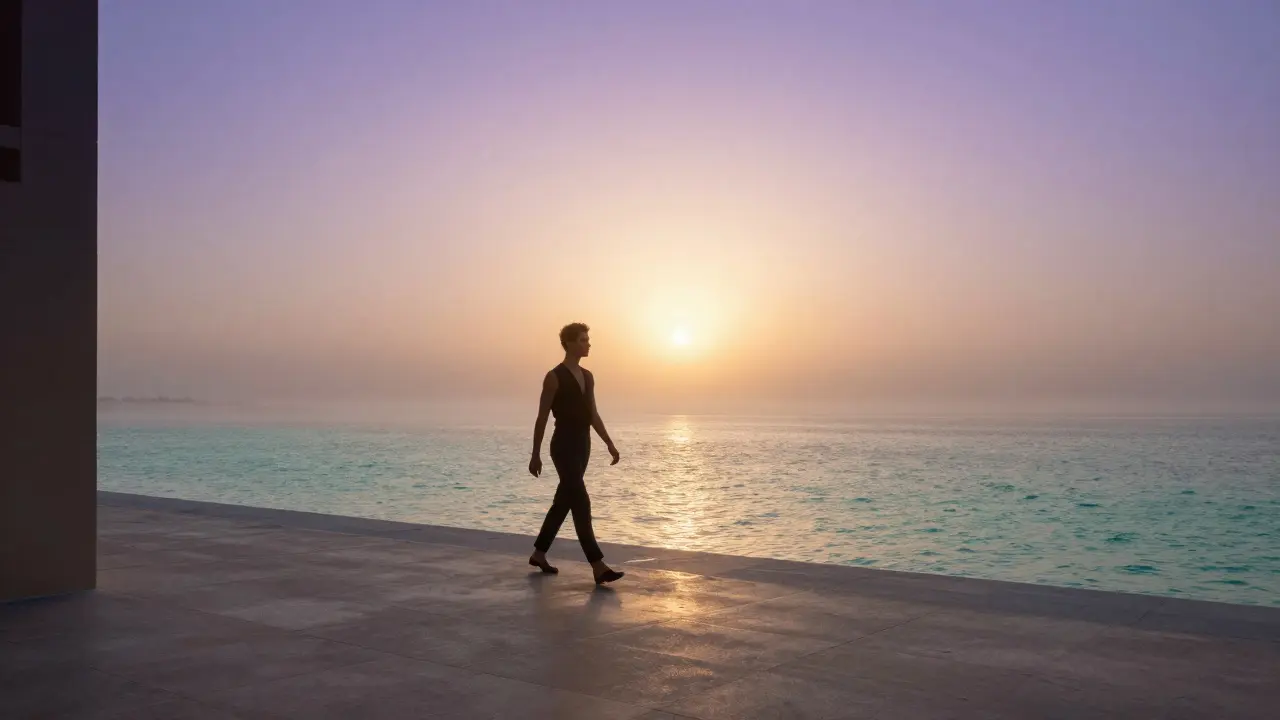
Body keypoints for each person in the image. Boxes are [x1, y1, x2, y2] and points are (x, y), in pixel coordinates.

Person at [528, 322, 625, 584]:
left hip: (583, 445)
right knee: (581, 501)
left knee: (564, 502)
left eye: (588, 339)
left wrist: (609, 443)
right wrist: (535, 454)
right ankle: (597, 565)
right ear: (569, 343)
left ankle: (539, 553)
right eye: (583, 340)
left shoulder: (589, 376)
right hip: (563, 445)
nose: (588, 344)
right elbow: (541, 418)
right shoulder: (554, 377)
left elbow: (592, 413)